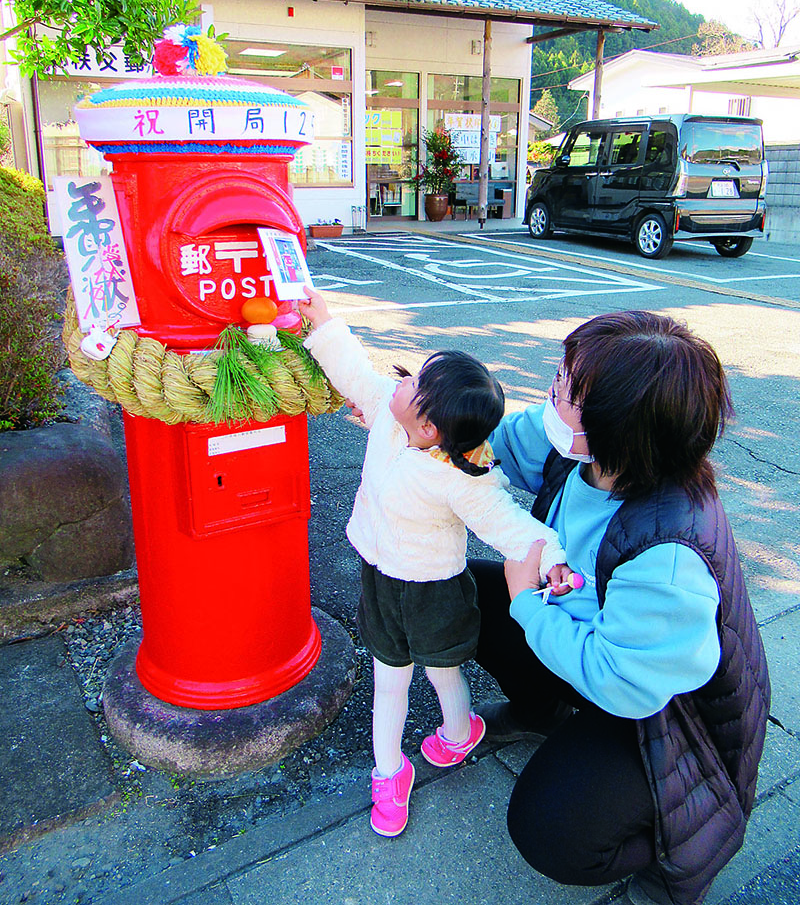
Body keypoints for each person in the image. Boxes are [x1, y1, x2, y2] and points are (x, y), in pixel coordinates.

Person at [470, 310, 770, 905]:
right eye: (561, 373)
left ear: (619, 429)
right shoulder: (583, 449)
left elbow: (624, 684)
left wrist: (527, 601)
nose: (553, 390)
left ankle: (674, 860)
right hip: (590, 633)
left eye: (568, 389)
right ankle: (542, 711)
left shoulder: (669, 550)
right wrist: (419, 423)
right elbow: (487, 450)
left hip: (665, 718)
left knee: (548, 832)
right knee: (462, 596)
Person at [299, 287, 569, 838]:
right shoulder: (388, 416)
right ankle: (389, 772)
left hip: (436, 590)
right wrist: (324, 322)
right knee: (390, 681)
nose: (401, 382)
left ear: (430, 430)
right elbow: (354, 372)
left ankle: (457, 731)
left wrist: (554, 560)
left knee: (445, 668)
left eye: (415, 385)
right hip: (381, 579)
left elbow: (512, 526)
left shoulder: (463, 480)